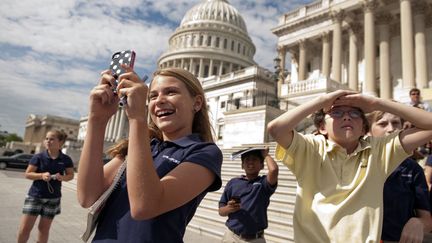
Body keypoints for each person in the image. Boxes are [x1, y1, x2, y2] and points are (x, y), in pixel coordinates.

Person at [77, 66, 223, 242]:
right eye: (153, 96)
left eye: (171, 92)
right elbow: (87, 196)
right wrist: (97, 120)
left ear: (197, 103)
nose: (159, 100)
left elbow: (144, 207)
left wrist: (137, 118)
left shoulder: (204, 152)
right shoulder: (142, 146)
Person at [267, 90, 432, 243]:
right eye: (336, 113)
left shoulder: (379, 151)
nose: (347, 117)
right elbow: (276, 129)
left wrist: (376, 103)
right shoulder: (310, 149)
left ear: (363, 129)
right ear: (322, 127)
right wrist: (322, 100)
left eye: (354, 113)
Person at [367, 111, 431, 243]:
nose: (391, 129)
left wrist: (418, 223)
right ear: (368, 131)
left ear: (402, 128)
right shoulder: (355, 163)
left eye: (395, 123)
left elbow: (427, 219)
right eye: (382, 124)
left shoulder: (413, 169)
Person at [17, 130, 75, 243]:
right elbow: (27, 174)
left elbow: (71, 175)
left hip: (53, 199)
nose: (48, 141)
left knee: (44, 229)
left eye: (52, 139)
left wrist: (61, 178)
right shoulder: (38, 157)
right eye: (47, 138)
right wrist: (41, 175)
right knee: (25, 229)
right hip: (35, 196)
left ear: (61, 142)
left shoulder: (66, 159)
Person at [219, 147, 278, 243]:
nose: (250, 162)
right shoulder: (233, 183)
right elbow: (221, 211)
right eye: (247, 160)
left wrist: (265, 155)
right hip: (231, 237)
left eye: (254, 159)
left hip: (255, 239)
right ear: (242, 165)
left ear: (262, 165)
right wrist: (228, 209)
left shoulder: (263, 184)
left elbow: (274, 170)